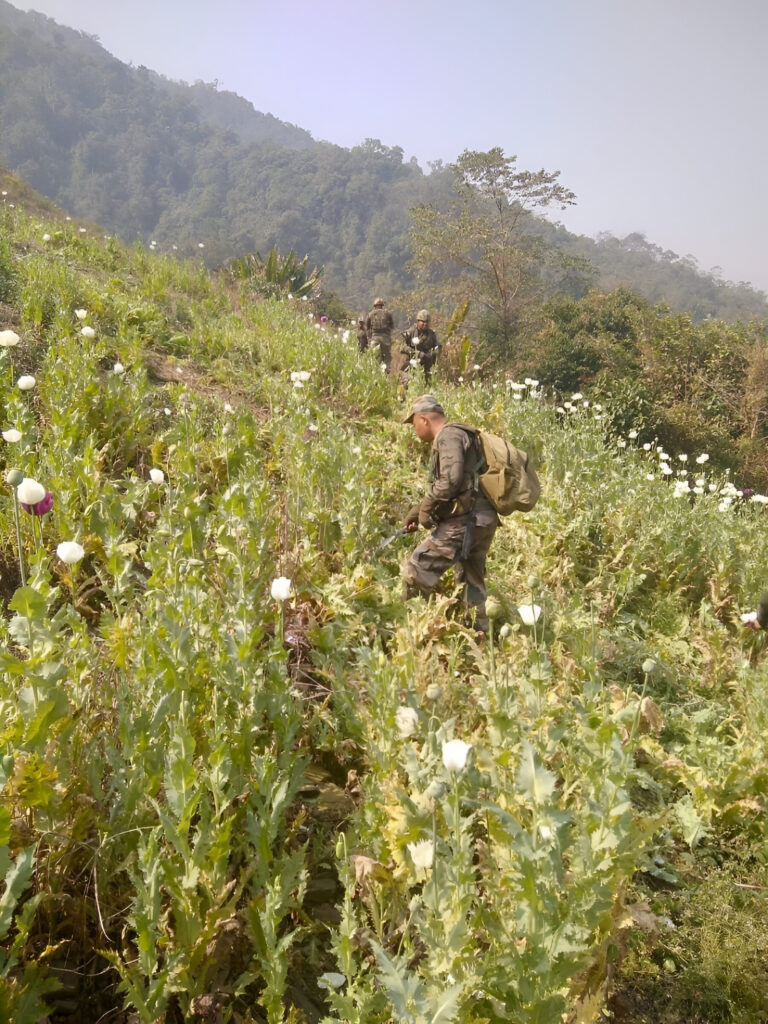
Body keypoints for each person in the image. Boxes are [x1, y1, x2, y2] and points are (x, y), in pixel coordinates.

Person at [401, 394, 498, 634]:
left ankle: (412, 632)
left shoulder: (448, 435)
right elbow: (463, 482)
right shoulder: (461, 435)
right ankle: (480, 640)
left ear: (423, 419)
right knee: (471, 583)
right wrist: (419, 511)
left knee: (415, 571)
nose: (414, 430)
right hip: (482, 520)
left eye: (413, 423)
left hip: (466, 522)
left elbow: (451, 480)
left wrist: (428, 505)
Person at [399, 309, 440, 386]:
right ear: (418, 321)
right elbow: (402, 346)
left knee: (428, 387)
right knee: (406, 384)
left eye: (427, 322)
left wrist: (430, 354)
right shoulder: (411, 332)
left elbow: (438, 348)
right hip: (410, 365)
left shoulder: (432, 335)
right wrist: (416, 353)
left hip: (426, 367)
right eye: (423, 322)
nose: (425, 324)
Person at [365, 297, 394, 370]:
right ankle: (386, 373)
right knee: (387, 358)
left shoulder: (370, 314)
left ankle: (376, 375)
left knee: (375, 359)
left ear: (374, 305)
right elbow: (392, 326)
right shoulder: (388, 313)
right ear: (382, 305)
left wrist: (369, 338)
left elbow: (367, 327)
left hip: (374, 339)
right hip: (386, 339)